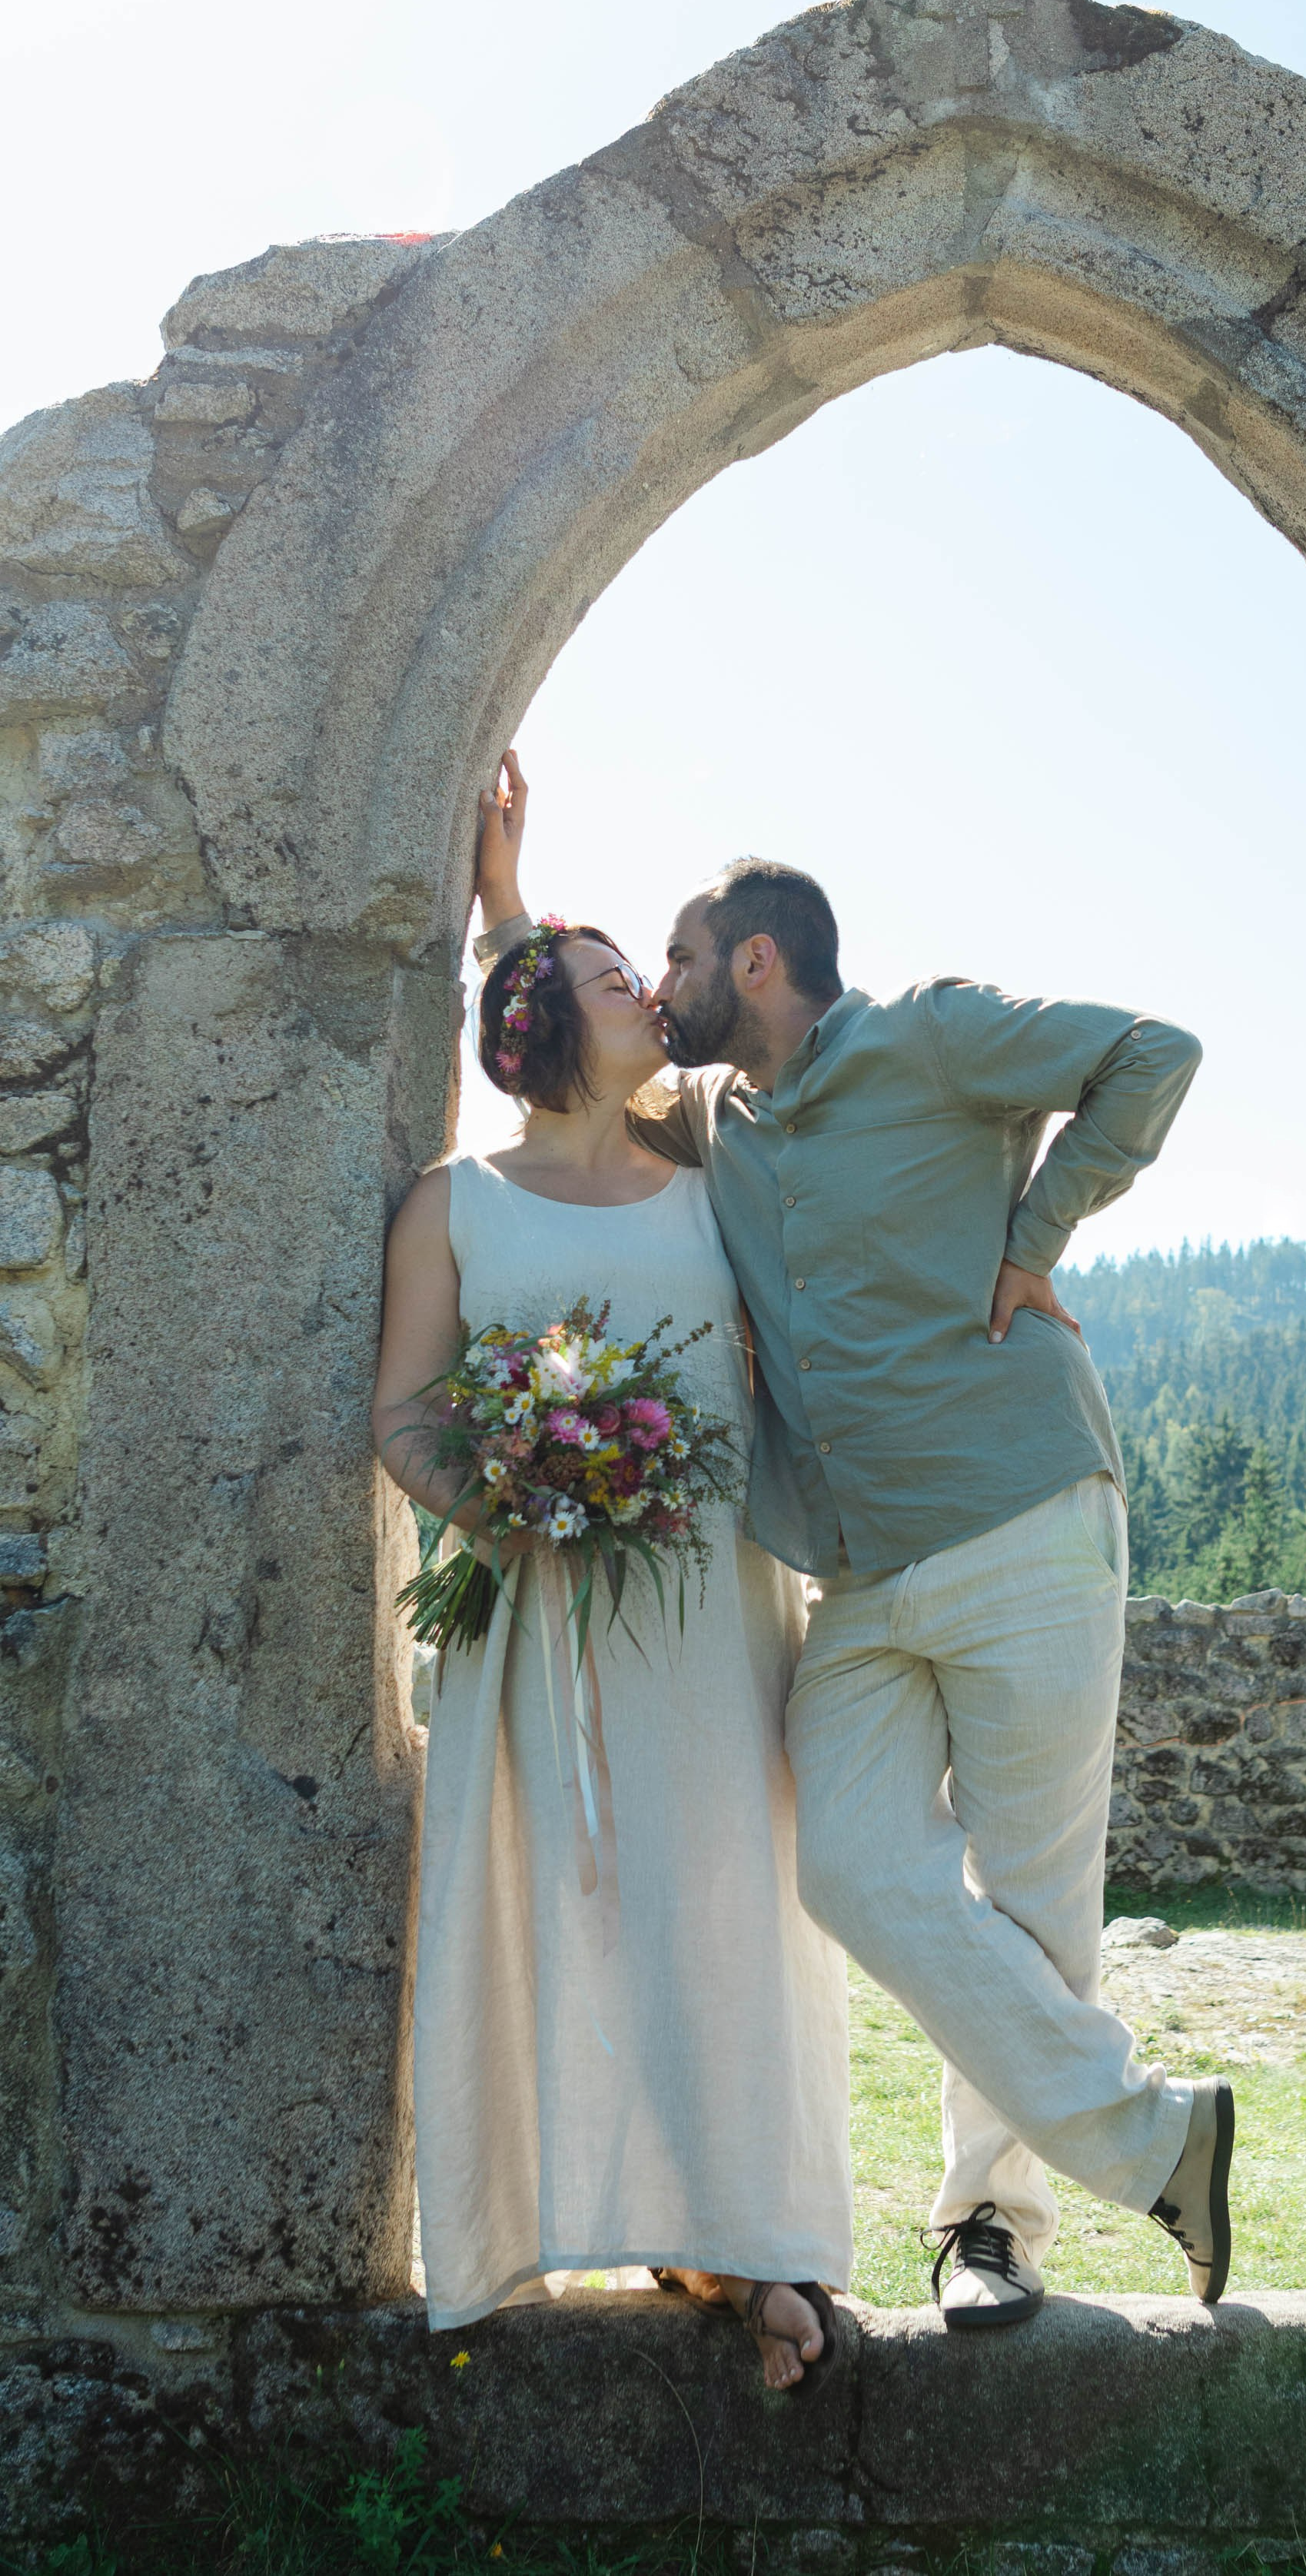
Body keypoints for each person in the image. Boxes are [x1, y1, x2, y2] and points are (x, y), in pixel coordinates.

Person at [477, 750, 1235, 2332]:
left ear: (754, 960)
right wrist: (503, 908)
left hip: (1027, 1511)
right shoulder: (712, 1119)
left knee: (1032, 1895)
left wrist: (1034, 1241)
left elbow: (1153, 1052)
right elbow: (573, 1070)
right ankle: (1163, 2137)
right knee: (847, 1861)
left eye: (679, 959)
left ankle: (990, 2230)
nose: (665, 988)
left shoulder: (933, 1035)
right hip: (862, 1573)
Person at [374, 891, 852, 2389]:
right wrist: (514, 1501)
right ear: (542, 1025)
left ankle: (758, 2242)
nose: (650, 988)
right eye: (610, 978)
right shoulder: (456, 1202)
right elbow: (403, 1413)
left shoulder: (703, 1171)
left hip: (714, 1617)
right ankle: (603, 2216)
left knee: (722, 1919)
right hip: (543, 1618)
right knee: (578, 1914)